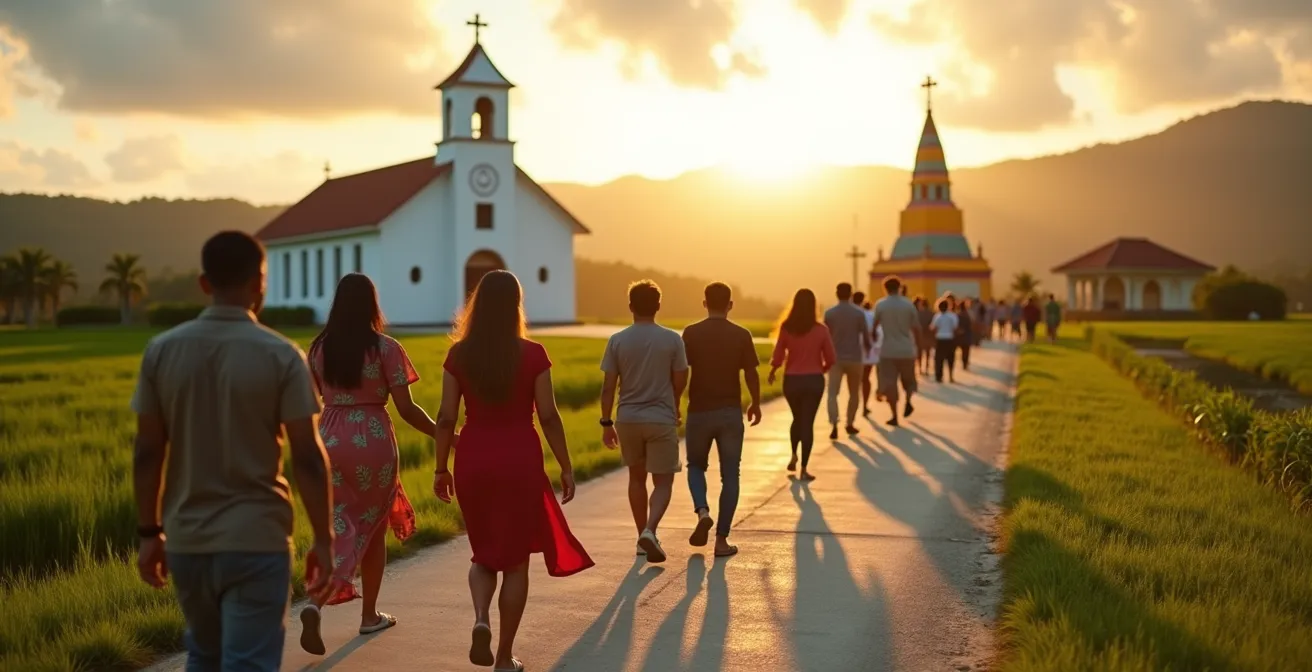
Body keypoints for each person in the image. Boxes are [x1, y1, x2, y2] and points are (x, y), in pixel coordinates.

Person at [131, 231, 333, 671]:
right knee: (249, 663)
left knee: (204, 656)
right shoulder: (281, 355)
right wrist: (323, 539)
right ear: (260, 283)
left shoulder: (161, 351)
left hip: (188, 540)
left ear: (205, 283)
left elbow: (147, 451)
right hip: (257, 538)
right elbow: (309, 458)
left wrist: (149, 535)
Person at [434, 270, 594, 671]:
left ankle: (480, 619)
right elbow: (550, 416)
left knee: (484, 553)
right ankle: (504, 657)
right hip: (519, 459)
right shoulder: (534, 354)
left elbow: (444, 418)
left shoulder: (459, 355)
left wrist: (440, 469)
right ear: (516, 306)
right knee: (516, 562)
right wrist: (566, 466)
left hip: (473, 457)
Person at [298, 273, 436, 655]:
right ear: (372, 305)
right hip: (373, 438)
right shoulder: (386, 348)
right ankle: (367, 615)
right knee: (373, 529)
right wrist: (445, 436)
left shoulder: (319, 348)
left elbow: (311, 401)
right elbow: (407, 409)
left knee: (338, 522)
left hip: (329, 438)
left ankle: (316, 603)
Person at [600, 280, 688, 564]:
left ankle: (642, 537)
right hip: (660, 419)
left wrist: (605, 422)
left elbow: (608, 386)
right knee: (663, 482)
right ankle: (650, 530)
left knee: (636, 479)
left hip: (627, 418)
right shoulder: (673, 339)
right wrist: (674, 403)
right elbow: (680, 377)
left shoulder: (618, 340)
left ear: (630, 307)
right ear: (658, 306)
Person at [679, 282, 762, 558]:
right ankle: (722, 540)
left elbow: (680, 373)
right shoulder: (741, 335)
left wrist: (675, 402)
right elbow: (751, 373)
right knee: (731, 475)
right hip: (729, 413)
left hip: (699, 411)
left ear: (704, 303)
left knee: (695, 466)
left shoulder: (691, 333)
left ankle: (702, 511)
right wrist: (756, 402)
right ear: (730, 305)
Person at [768, 289, 835, 480]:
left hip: (792, 380)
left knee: (797, 418)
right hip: (813, 380)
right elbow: (831, 358)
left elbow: (779, 354)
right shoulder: (821, 330)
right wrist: (821, 369)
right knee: (808, 423)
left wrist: (773, 371)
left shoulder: (787, 327)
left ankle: (793, 454)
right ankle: (804, 468)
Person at [872, 276, 920, 427]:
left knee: (890, 384)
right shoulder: (908, 305)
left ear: (885, 288)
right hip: (907, 349)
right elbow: (917, 328)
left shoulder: (881, 305)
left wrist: (873, 343)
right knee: (909, 380)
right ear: (899, 287)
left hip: (888, 350)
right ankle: (908, 400)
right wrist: (917, 346)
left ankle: (894, 415)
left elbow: (873, 328)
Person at [824, 283, 870, 440]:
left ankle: (834, 424)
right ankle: (850, 423)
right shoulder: (858, 313)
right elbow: (865, 335)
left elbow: (825, 337)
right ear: (850, 294)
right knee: (854, 393)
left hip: (835, 358)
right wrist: (869, 351)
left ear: (836, 294)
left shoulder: (829, 313)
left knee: (832, 393)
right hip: (855, 358)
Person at [858, 296, 884, 415]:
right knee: (866, 378)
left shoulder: (856, 314)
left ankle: (856, 404)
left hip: (855, 350)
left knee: (857, 379)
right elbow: (878, 334)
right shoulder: (872, 315)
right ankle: (864, 405)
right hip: (869, 351)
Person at [931, 299, 960, 383]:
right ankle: (951, 376)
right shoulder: (952, 316)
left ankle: (939, 376)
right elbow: (955, 328)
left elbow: (933, 328)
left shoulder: (937, 316)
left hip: (940, 339)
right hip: (950, 339)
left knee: (939, 359)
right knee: (950, 358)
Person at [915, 296, 935, 374]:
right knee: (927, 353)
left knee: (919, 353)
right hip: (929, 335)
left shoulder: (917, 313)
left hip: (920, 335)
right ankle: (926, 368)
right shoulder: (932, 313)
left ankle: (919, 368)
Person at [955, 299, 974, 372]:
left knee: (962, 349)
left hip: (959, 335)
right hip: (967, 334)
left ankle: (963, 363)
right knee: (966, 350)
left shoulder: (957, 314)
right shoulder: (968, 314)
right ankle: (965, 364)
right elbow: (972, 323)